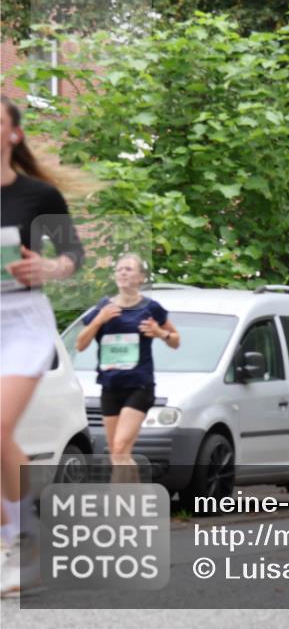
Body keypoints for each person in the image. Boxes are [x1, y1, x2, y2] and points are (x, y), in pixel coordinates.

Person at [1, 96, 86, 597]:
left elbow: (73, 253)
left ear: (14, 134)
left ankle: (22, 542)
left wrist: (46, 267)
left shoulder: (38, 195)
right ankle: (14, 536)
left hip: (21, 323)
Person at [75, 254, 180, 480]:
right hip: (110, 386)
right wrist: (99, 320)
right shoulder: (104, 307)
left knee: (121, 447)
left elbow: (175, 340)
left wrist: (159, 333)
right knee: (117, 453)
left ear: (141, 277)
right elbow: (80, 344)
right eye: (120, 269)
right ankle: (134, 496)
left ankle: (121, 500)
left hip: (139, 386)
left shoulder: (151, 308)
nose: (123, 272)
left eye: (129, 269)